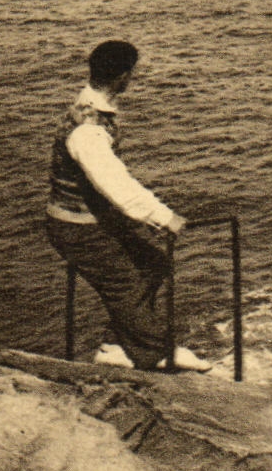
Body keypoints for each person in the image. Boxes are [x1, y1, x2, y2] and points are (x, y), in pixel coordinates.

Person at [46, 40, 212, 372]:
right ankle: (156, 352)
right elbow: (115, 183)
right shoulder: (88, 130)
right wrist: (164, 217)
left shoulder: (90, 107)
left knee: (153, 263)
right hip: (77, 228)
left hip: (92, 221)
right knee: (125, 283)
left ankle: (115, 346)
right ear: (124, 76)